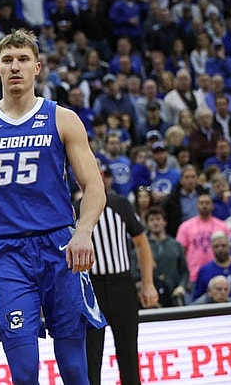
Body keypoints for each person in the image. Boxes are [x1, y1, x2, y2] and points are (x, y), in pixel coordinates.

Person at [0, 29, 107, 385]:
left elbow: (94, 186)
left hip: (60, 247)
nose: (14, 66)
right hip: (8, 252)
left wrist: (83, 233)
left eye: (22, 60)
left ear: (37, 67)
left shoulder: (62, 118)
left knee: (75, 369)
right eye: (7, 60)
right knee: (23, 370)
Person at [79, 164, 158, 385]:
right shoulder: (73, 209)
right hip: (91, 290)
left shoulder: (120, 204)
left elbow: (141, 244)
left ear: (102, 176)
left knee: (128, 354)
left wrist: (148, 283)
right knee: (91, 358)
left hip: (122, 285)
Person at [145, 207, 190, 307]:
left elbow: (184, 271)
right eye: (152, 220)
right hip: (152, 297)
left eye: (158, 219)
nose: (155, 223)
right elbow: (135, 272)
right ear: (147, 224)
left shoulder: (175, 245)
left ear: (165, 222)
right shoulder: (143, 247)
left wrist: (182, 286)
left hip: (174, 294)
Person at [192, 231, 231, 300]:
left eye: (223, 246)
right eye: (216, 246)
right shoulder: (205, 271)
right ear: (212, 248)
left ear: (230, 246)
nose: (220, 249)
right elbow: (198, 298)